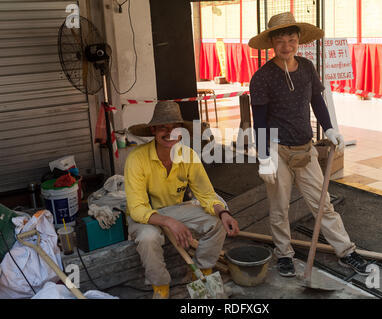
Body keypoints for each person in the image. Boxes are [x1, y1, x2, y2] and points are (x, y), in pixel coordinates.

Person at [248, 12, 369, 277]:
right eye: (280, 40)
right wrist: (265, 157)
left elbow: (317, 100)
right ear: (271, 43)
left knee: (323, 204)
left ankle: (346, 251)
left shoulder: (306, 67)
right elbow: (258, 122)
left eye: (291, 39)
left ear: (299, 40)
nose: (286, 46)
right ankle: (284, 254)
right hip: (277, 150)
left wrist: (330, 128)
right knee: (280, 208)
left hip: (305, 149)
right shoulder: (262, 77)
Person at [124, 101, 239, 299]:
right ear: (153, 130)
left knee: (217, 222)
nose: (169, 133)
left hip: (175, 210)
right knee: (148, 238)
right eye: (163, 128)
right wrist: (169, 222)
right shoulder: (136, 158)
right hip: (145, 216)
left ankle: (202, 272)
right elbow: (136, 208)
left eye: (174, 128)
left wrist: (224, 212)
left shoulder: (189, 156)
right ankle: (161, 287)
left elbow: (206, 194)